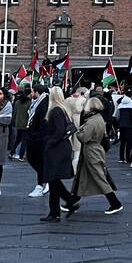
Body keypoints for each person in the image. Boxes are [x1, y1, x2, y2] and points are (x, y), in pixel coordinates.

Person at [73, 95, 123, 214]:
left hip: (91, 150)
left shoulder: (92, 121)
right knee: (83, 176)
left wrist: (78, 132)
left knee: (99, 177)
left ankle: (115, 203)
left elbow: (84, 137)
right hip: (95, 149)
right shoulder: (98, 118)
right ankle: (72, 199)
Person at [40, 87, 77, 222]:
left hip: (56, 149)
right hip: (61, 147)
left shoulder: (55, 111)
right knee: (54, 180)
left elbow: (59, 131)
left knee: (53, 179)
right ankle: (57, 210)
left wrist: (48, 143)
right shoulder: (64, 110)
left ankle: (63, 205)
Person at [26, 83, 50, 198]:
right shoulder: (37, 102)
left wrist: (36, 134)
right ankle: (45, 179)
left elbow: (41, 120)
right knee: (32, 158)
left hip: (39, 137)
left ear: (36, 92)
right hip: (34, 134)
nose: (31, 94)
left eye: (32, 91)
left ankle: (42, 183)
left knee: (37, 159)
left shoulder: (44, 102)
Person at [115, 90, 132, 164]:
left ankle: (121, 157)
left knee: (122, 142)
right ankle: (128, 158)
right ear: (131, 95)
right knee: (129, 142)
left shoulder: (120, 104)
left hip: (122, 125)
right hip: (130, 125)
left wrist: (120, 122)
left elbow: (117, 116)